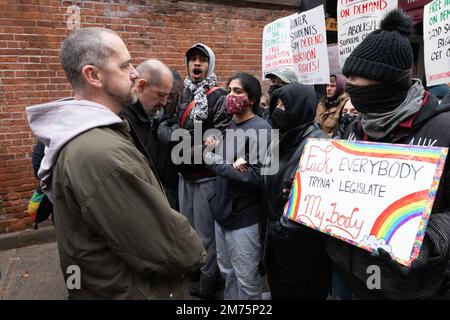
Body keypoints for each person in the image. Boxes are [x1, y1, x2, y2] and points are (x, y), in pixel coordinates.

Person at [26, 28, 206, 299]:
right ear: (93, 75)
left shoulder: (97, 137)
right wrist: (194, 249)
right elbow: (170, 248)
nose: (135, 73)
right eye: (124, 65)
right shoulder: (100, 153)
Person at [326, 9, 450, 300]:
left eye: (357, 78)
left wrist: (431, 238)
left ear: (388, 81)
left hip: (407, 288)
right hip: (347, 275)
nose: (350, 87)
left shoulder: (444, 129)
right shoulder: (356, 127)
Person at [261, 82, 332, 299]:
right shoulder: (279, 139)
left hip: (304, 256)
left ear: (300, 107)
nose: (278, 110)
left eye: (285, 105)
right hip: (276, 247)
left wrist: (279, 229)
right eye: (277, 104)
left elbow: (315, 205)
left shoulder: (320, 146)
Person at [205, 73, 271, 299]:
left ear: (251, 98)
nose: (230, 96)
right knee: (227, 273)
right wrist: (219, 154)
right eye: (230, 90)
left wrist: (216, 163)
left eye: (237, 91)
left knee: (246, 280)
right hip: (222, 214)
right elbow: (230, 166)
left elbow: (255, 176)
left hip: (244, 219)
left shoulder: (262, 129)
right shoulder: (231, 126)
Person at [176, 43, 230, 299]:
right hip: (184, 174)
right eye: (193, 60)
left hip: (206, 176)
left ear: (211, 64)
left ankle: (209, 282)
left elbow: (218, 136)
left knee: (205, 235)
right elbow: (173, 123)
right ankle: (196, 273)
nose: (196, 64)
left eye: (202, 60)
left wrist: (189, 146)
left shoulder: (218, 97)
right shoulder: (184, 93)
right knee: (188, 230)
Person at [120, 59, 173, 173]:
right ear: (141, 86)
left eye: (166, 96)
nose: (164, 102)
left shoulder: (142, 115)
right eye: (160, 95)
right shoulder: (123, 120)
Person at [156, 68, 184, 210]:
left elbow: (171, 137)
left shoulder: (180, 108)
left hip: (174, 175)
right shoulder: (162, 110)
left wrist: (161, 126)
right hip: (164, 174)